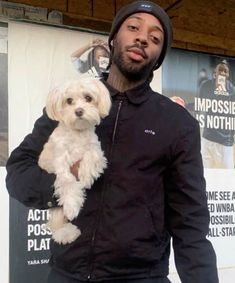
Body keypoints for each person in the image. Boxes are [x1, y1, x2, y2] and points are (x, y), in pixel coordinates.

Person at [6, 1, 219, 282]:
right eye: (133, 28)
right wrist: (62, 183)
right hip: (66, 273)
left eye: (155, 38)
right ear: (113, 38)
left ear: (158, 57)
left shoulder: (177, 124)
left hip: (140, 276)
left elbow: (190, 221)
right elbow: (19, 170)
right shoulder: (69, 104)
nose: (142, 38)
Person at [199, 60, 235, 168]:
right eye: (220, 70)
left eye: (226, 71)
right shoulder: (205, 86)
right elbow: (199, 105)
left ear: (228, 75)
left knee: (226, 179)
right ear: (215, 72)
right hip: (208, 139)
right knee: (205, 176)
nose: (223, 73)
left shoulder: (233, 91)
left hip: (225, 143)